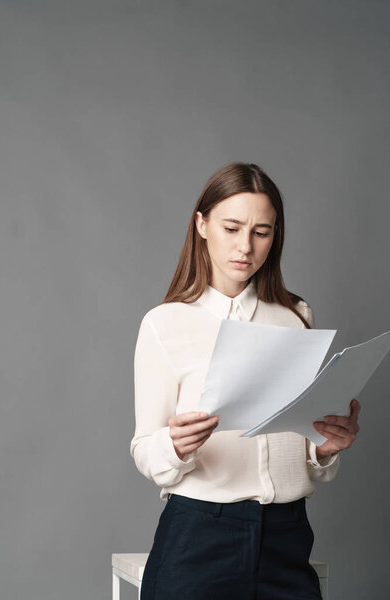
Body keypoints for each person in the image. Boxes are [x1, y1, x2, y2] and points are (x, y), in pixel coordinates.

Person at [130, 162, 361, 600]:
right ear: (202, 224)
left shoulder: (296, 317)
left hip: (287, 536)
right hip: (199, 534)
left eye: (262, 232)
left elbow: (298, 437)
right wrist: (175, 446)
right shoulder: (166, 323)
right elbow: (145, 448)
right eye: (232, 227)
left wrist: (325, 447)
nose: (246, 247)